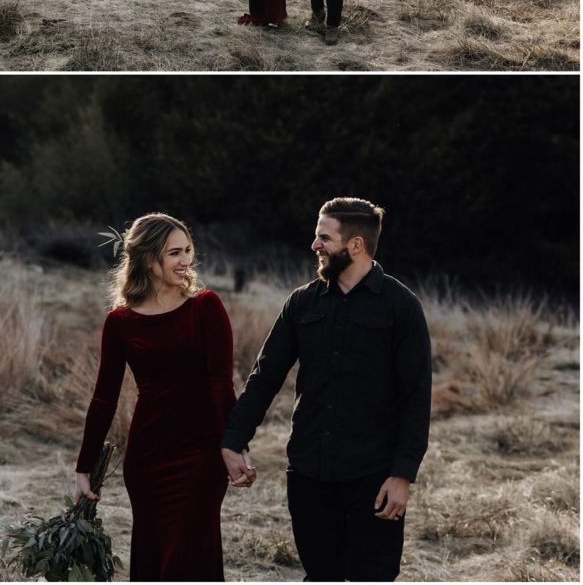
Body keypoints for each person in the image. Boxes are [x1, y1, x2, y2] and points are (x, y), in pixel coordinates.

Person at [220, 197, 432, 583]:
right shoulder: (301, 303)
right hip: (309, 474)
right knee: (320, 575)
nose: (314, 245)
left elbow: (416, 398)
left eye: (324, 237)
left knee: (374, 576)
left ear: (356, 245)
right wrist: (234, 439)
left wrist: (402, 475)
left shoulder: (401, 307)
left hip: (374, 478)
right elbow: (265, 377)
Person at [75, 213, 248, 582]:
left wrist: (235, 446)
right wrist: (84, 468)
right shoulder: (120, 322)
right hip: (148, 458)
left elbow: (222, 384)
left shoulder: (206, 307)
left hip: (201, 455)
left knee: (187, 558)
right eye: (174, 253)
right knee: (154, 558)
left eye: (188, 250)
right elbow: (103, 398)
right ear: (147, 258)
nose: (186, 260)